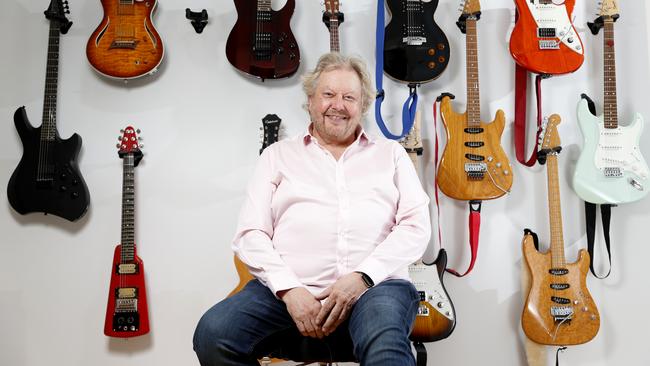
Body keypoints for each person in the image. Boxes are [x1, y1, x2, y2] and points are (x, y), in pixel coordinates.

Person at [193, 53, 431, 365]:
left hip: (376, 290)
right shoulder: (276, 156)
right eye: (328, 94)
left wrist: (363, 277)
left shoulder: (392, 155)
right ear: (310, 100)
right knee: (213, 333)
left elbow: (415, 227)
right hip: (286, 293)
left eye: (349, 97)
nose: (338, 105)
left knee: (385, 345)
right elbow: (251, 233)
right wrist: (290, 289)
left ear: (362, 105)